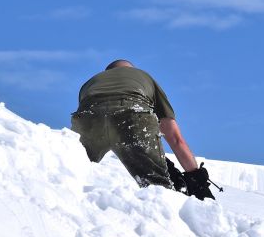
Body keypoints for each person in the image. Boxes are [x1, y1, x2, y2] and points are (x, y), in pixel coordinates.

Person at [71, 59, 204, 192]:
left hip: (88, 117)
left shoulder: (90, 83)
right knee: (158, 189)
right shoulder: (144, 77)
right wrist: (195, 175)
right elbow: (175, 138)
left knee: (72, 173)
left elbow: (104, 121)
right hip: (132, 113)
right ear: (132, 70)